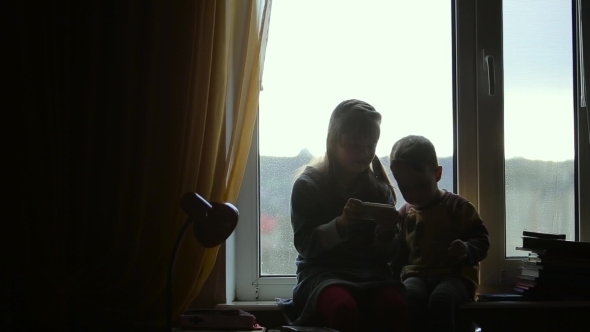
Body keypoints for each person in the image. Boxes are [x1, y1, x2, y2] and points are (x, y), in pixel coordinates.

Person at [276, 99, 409, 332]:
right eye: (355, 145)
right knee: (342, 309)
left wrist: (388, 233)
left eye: (371, 145)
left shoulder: (379, 188)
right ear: (332, 142)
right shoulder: (308, 185)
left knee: (395, 306)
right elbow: (305, 245)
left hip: (373, 274)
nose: (365, 153)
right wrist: (341, 224)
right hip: (321, 274)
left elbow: (388, 257)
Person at [388, 135, 490, 332]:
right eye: (405, 188)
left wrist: (467, 249)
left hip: (454, 276)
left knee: (441, 300)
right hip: (416, 276)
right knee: (408, 298)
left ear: (437, 174)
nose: (414, 194)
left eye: (422, 185)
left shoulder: (457, 208)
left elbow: (482, 240)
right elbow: (400, 255)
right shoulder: (404, 215)